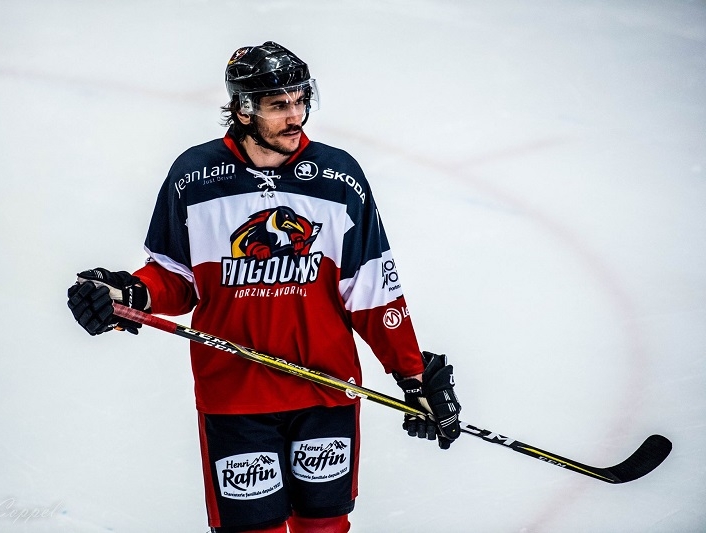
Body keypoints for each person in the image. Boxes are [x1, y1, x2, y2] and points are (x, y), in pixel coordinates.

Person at [67, 41, 461, 533]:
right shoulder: (195, 178)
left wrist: (412, 374)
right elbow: (177, 276)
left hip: (325, 392)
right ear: (244, 109)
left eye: (301, 100)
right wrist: (128, 293)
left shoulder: (339, 178)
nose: (295, 116)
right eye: (280, 105)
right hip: (235, 397)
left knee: (325, 528)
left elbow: (372, 290)